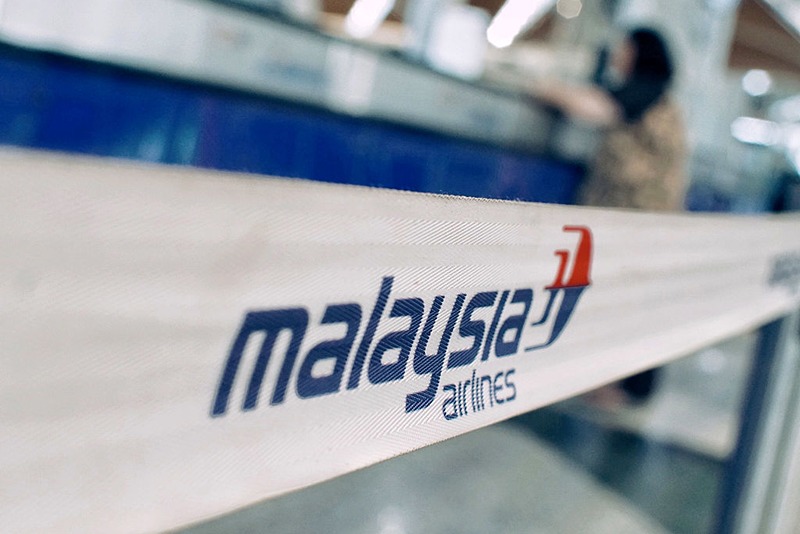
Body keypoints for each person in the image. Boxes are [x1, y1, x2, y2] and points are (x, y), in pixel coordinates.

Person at [535, 28, 687, 403]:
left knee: (630, 304)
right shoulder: (661, 98)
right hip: (646, 221)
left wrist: (545, 88)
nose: (618, 53)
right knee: (637, 303)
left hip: (637, 221)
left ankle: (623, 389)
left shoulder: (644, 88)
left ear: (640, 52)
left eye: (625, 47)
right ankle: (621, 385)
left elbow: (594, 107)